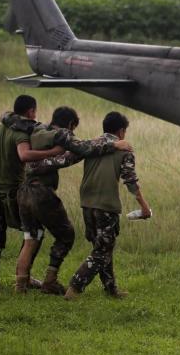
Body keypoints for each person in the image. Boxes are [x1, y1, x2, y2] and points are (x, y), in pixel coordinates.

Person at [11, 106, 132, 295]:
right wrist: (114, 145)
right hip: (40, 192)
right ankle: (50, 280)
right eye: (73, 128)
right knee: (66, 234)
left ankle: (21, 285)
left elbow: (8, 118)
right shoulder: (63, 135)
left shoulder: (38, 128)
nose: (73, 133)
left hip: (23, 191)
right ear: (69, 124)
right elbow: (81, 150)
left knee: (31, 237)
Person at [0, 95, 61, 290]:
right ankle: (24, 276)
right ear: (30, 111)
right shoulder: (20, 133)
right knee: (34, 233)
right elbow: (24, 155)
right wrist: (52, 152)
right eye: (34, 111)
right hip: (11, 195)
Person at [64, 111, 151, 300]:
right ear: (121, 131)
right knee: (102, 251)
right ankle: (75, 286)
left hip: (86, 204)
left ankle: (111, 288)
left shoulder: (92, 145)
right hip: (106, 206)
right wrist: (144, 207)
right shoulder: (124, 149)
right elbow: (130, 182)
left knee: (103, 247)